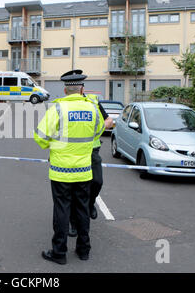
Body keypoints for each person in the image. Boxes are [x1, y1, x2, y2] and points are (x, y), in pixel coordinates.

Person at [34, 70, 105, 265]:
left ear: (65, 89)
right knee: (82, 209)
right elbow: (98, 132)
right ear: (82, 89)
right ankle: (84, 250)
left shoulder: (57, 109)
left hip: (60, 171)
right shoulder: (92, 108)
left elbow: (40, 137)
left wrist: (54, 145)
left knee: (62, 210)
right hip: (84, 170)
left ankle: (59, 253)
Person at [68, 92, 113, 236]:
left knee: (97, 181)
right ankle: (73, 224)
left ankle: (90, 203)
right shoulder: (65, 105)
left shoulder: (93, 102)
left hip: (92, 150)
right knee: (74, 189)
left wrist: (97, 129)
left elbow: (109, 121)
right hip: (72, 151)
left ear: (82, 88)